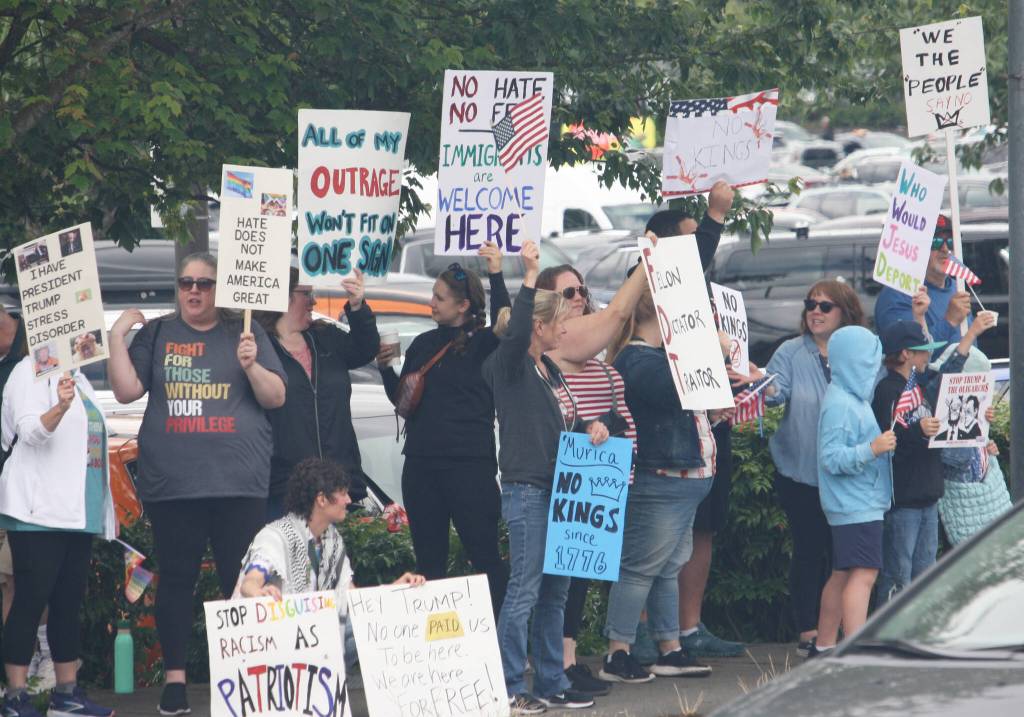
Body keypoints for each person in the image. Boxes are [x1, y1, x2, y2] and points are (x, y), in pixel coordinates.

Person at [108, 252, 287, 715]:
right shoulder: (160, 332)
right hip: (175, 484)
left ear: (219, 288)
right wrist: (115, 337)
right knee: (177, 581)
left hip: (238, 483)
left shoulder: (245, 333)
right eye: (186, 282)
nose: (194, 291)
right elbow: (127, 391)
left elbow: (277, 396)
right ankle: (174, 684)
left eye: (204, 284)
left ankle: (247, 677)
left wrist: (251, 365)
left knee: (241, 580)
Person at [483, 240, 606, 714]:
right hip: (528, 491)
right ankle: (511, 686)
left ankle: (549, 680)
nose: (566, 329)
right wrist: (526, 273)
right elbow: (512, 336)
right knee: (525, 590)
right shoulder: (509, 365)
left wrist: (597, 427)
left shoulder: (547, 370)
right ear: (538, 326)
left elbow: (563, 423)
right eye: (558, 323)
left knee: (554, 592)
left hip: (560, 491)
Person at [597, 258, 722, 685]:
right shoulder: (639, 360)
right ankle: (618, 652)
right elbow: (674, 392)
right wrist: (708, 349)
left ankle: (669, 648)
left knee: (667, 566)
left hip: (681, 481)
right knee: (640, 567)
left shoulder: (654, 358)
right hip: (663, 480)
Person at [377, 242, 510, 615]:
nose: (431, 303)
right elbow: (403, 403)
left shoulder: (486, 344)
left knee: (484, 557)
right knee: (428, 563)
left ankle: (502, 643)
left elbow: (507, 322)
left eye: (439, 297)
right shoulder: (423, 342)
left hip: (469, 466)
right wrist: (385, 368)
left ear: (463, 304)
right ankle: (435, 653)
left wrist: (496, 271)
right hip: (421, 465)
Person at [535, 264, 637, 696]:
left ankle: (570, 657)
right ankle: (553, 662)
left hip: (598, 489)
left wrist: (607, 425)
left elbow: (626, 423)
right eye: (568, 292)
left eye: (582, 290)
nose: (579, 297)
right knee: (553, 580)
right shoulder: (542, 368)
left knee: (579, 578)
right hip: (553, 486)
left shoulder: (605, 370)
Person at [0, 359, 116, 717]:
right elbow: (30, 431)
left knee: (68, 602)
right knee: (31, 600)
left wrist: (104, 512)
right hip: (39, 511)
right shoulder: (27, 372)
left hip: (78, 512)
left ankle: (67, 694)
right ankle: (15, 696)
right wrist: (61, 407)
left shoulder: (79, 377)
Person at [761, 280, 867, 656]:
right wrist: (762, 386)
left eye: (826, 306)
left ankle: (838, 633)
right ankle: (809, 633)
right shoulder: (790, 351)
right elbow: (775, 393)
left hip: (850, 476)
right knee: (809, 551)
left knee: (846, 558)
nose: (816, 312)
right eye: (811, 305)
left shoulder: (856, 352)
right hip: (801, 473)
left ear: (846, 313)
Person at [236, 458, 423, 668]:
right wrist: (259, 592)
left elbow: (352, 600)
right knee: (363, 629)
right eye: (342, 493)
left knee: (380, 623)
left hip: (309, 636)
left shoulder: (332, 540)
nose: (349, 499)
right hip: (271, 645)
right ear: (322, 500)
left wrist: (396, 590)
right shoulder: (275, 535)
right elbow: (249, 582)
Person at [870, 316, 992, 604]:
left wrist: (979, 419)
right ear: (904, 355)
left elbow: (949, 376)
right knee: (898, 574)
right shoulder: (888, 390)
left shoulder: (919, 386)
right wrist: (916, 430)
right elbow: (890, 443)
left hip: (927, 496)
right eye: (922, 350)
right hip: (904, 502)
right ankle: (885, 640)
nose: (928, 355)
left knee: (925, 575)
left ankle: (916, 635)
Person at [254, 267, 379, 521]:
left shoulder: (326, 337)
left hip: (340, 486)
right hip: (284, 491)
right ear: (282, 296)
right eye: (305, 294)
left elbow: (365, 349)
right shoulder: (259, 347)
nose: (313, 302)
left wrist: (357, 307)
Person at [812, 325, 895, 657]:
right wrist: (872, 449)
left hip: (854, 503)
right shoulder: (842, 405)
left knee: (843, 573)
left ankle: (825, 646)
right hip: (856, 504)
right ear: (852, 363)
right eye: (868, 362)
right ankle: (854, 651)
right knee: (864, 575)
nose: (873, 369)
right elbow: (831, 459)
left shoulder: (848, 398)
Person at [935, 346, 1011, 545]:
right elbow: (955, 455)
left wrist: (987, 448)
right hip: (962, 497)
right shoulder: (941, 405)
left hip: (985, 495)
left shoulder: (974, 406)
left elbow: (975, 447)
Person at [874, 215, 973, 352]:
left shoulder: (958, 288)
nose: (945, 249)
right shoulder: (898, 295)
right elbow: (910, 358)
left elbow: (971, 350)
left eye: (951, 242)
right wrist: (949, 321)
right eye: (936, 241)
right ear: (915, 248)